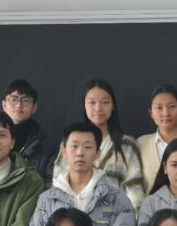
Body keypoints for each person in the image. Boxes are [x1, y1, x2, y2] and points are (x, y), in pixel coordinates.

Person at [28, 122, 135, 226]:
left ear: (97, 153)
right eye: (74, 146)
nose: (80, 153)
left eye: (88, 147)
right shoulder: (46, 200)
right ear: (64, 152)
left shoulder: (118, 199)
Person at [55, 79, 144, 208]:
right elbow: (57, 185)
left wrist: (131, 219)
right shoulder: (70, 142)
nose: (98, 108)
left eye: (105, 102)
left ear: (113, 106)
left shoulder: (127, 145)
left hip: (114, 217)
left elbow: (135, 191)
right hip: (73, 217)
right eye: (92, 102)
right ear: (84, 105)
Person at [139, 84, 177, 194]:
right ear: (151, 113)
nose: (166, 113)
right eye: (159, 108)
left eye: (172, 106)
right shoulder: (141, 144)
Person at [0, 78, 52, 185]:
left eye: (25, 100)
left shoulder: (45, 144)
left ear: (34, 107)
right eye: (13, 100)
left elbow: (50, 183)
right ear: (4, 105)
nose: (19, 105)